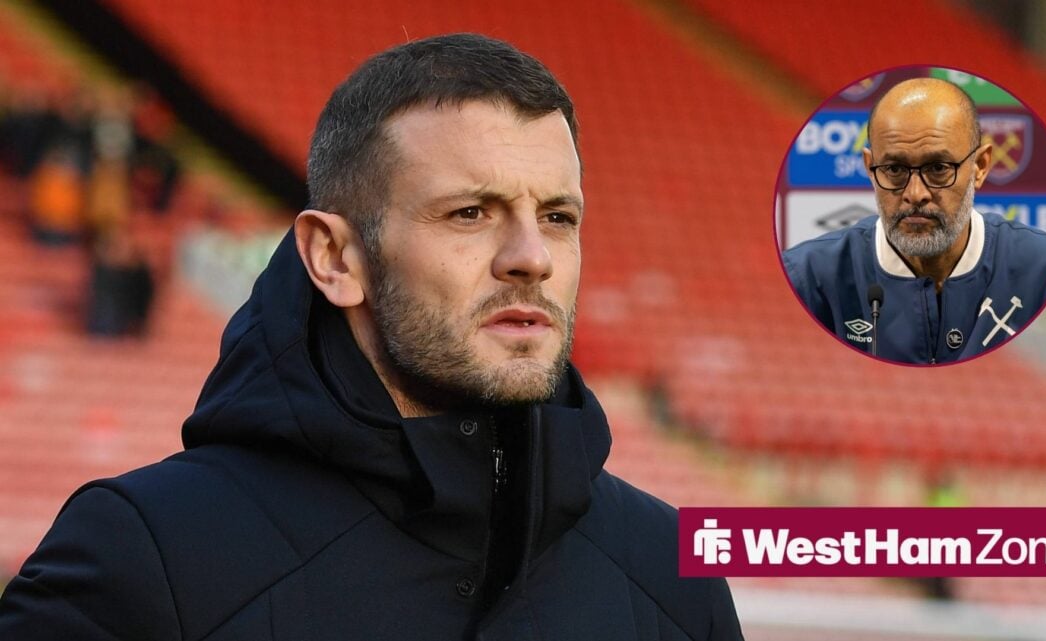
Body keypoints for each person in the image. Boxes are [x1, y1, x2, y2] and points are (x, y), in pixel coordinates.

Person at [0, 34, 743, 640]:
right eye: (470, 213)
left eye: (557, 216)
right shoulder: (143, 555)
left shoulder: (671, 571)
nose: (533, 256)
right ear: (335, 258)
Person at [782, 77, 1046, 364]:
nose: (915, 194)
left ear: (980, 167)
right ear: (870, 168)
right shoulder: (807, 278)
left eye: (938, 168)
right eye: (894, 169)